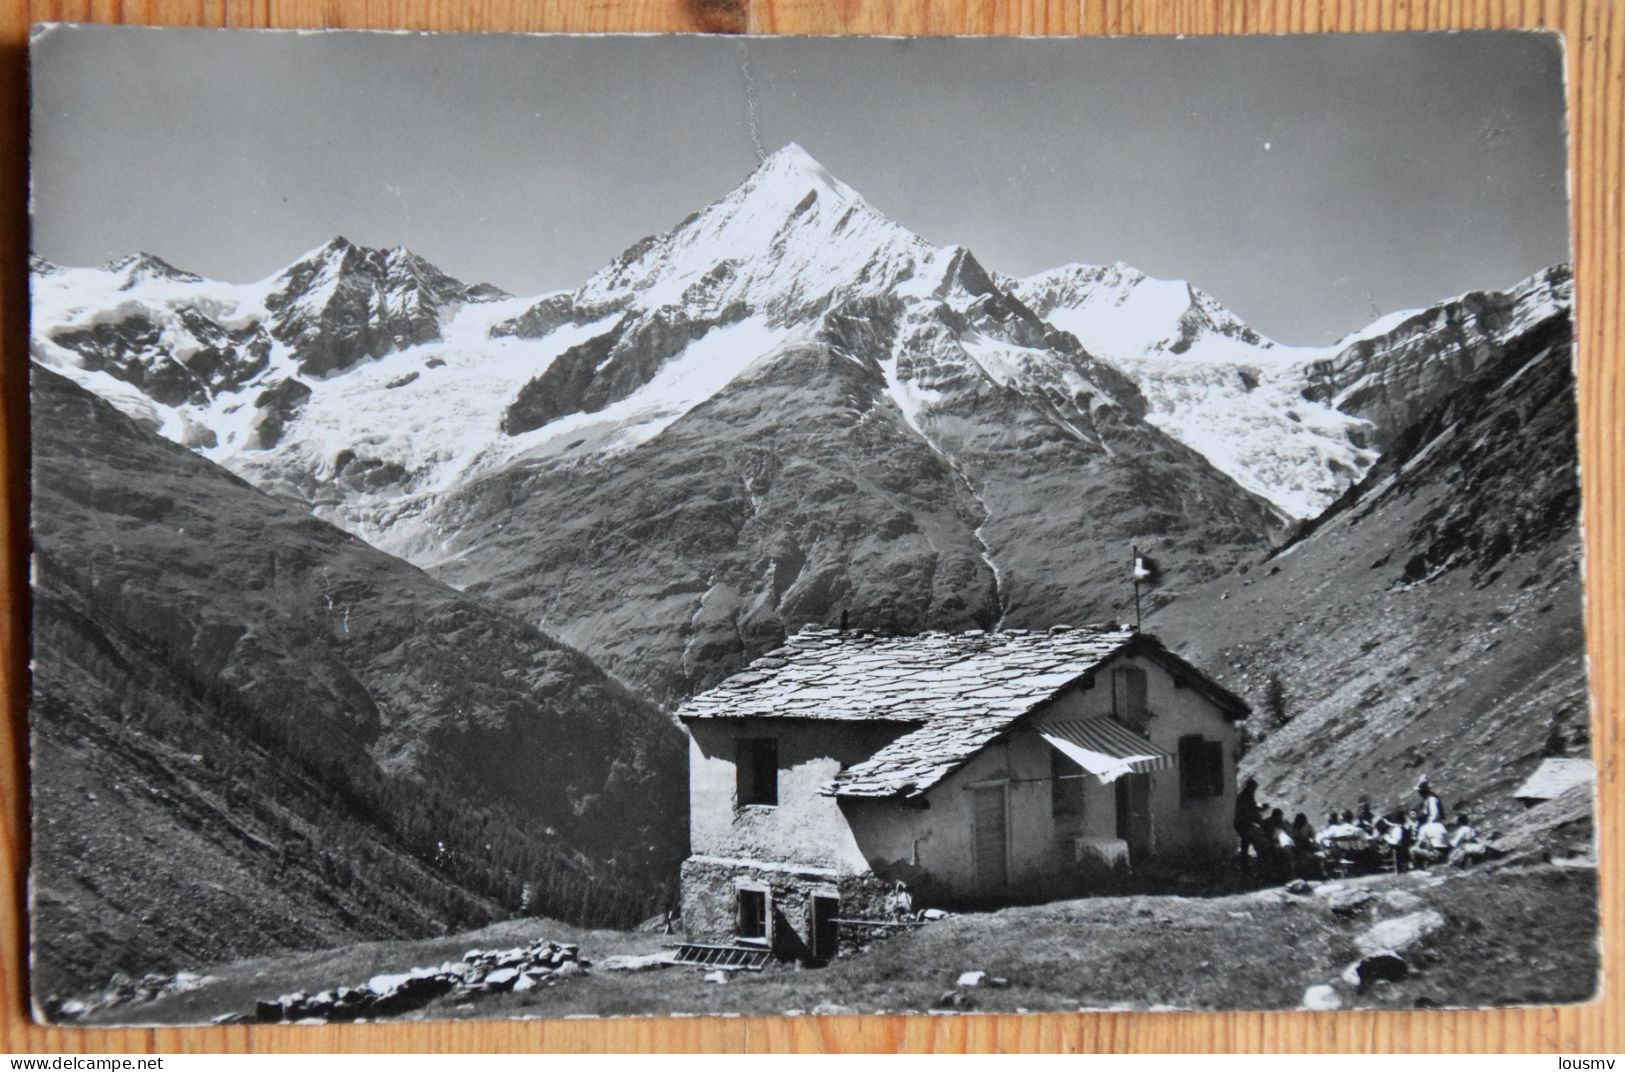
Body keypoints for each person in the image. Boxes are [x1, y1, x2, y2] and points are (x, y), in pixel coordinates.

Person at [1235, 777, 1262, 873]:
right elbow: (1250, 811)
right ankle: (1245, 867)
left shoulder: (1244, 796)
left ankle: (1245, 865)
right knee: (1248, 843)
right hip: (1244, 824)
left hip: (1243, 823)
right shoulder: (1246, 797)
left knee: (1246, 844)